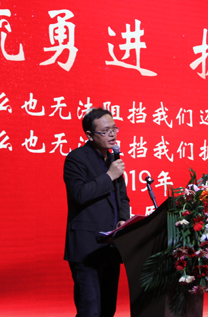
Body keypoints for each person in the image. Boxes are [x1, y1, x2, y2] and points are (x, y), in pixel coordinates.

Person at [63, 108, 130, 317]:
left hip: (111, 247)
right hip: (87, 249)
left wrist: (123, 220)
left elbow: (122, 198)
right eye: (105, 131)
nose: (112, 134)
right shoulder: (76, 158)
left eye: (114, 129)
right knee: (90, 310)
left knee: (108, 310)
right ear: (90, 135)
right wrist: (109, 176)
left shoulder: (113, 160)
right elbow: (79, 194)